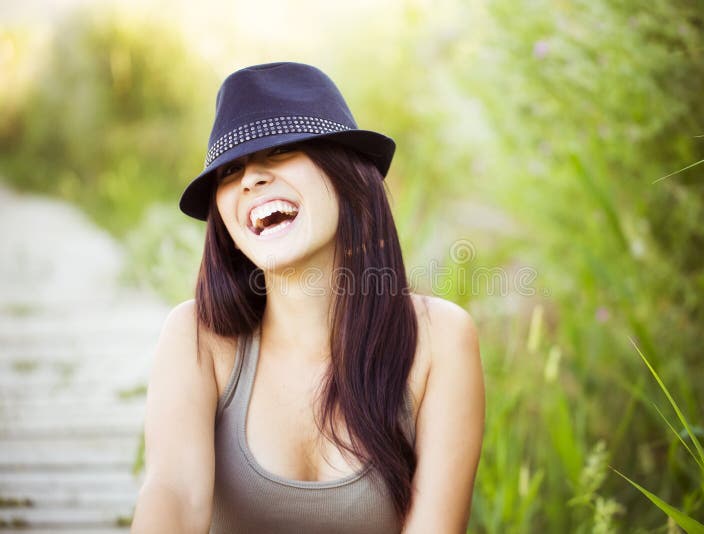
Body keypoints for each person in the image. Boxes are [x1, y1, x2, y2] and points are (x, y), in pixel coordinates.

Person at [131, 62, 484, 533]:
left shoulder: (440, 339)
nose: (251, 179)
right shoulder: (198, 337)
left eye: (278, 151)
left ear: (347, 176)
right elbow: (172, 494)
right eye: (230, 171)